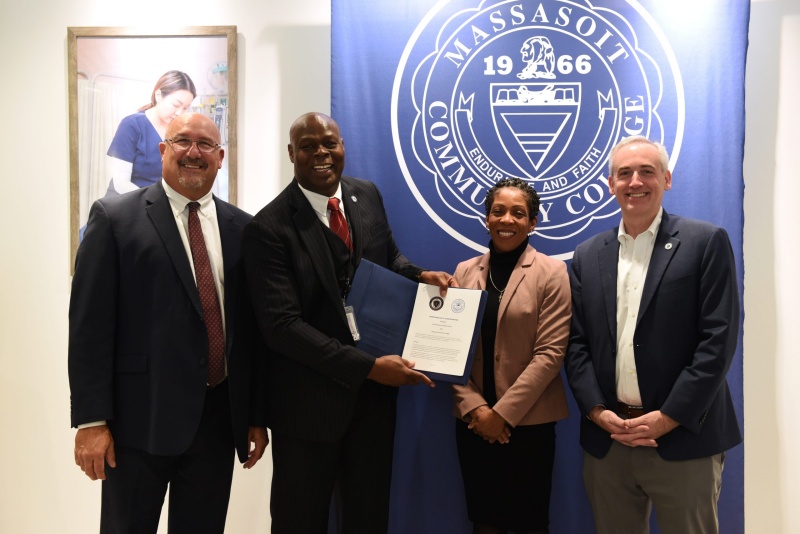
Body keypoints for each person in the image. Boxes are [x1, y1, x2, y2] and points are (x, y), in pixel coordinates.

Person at [242, 112, 455, 533]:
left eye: (329, 143)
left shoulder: (367, 194)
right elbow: (282, 327)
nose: (321, 153)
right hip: (307, 411)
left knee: (368, 518)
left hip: (372, 408)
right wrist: (369, 368)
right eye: (308, 146)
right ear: (291, 154)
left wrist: (419, 276)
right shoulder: (268, 227)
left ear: (343, 147)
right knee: (299, 522)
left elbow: (388, 258)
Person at [69, 113, 268, 534]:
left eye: (205, 145)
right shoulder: (115, 219)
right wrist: (91, 421)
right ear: (163, 150)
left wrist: (253, 413)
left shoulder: (242, 228)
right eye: (182, 141)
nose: (193, 152)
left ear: (220, 157)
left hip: (216, 422)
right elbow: (89, 329)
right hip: (137, 424)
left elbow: (249, 334)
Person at [565, 136, 742, 534]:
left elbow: (718, 340)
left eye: (647, 171)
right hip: (609, 441)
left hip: (684, 440)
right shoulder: (587, 254)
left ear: (667, 178)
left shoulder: (705, 242)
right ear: (610, 184)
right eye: (624, 173)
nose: (635, 181)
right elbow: (576, 346)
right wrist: (596, 412)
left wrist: (669, 417)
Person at [452, 178, 571, 534]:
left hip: (528, 426)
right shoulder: (463, 272)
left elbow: (550, 354)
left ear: (532, 222)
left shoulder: (552, 273)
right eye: (498, 211)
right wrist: (476, 409)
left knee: (528, 524)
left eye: (518, 213)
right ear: (486, 218)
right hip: (473, 423)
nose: (506, 219)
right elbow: (449, 351)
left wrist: (501, 415)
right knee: (483, 522)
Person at [107, 70, 197, 195]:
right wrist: (156, 202)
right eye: (176, 104)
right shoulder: (132, 125)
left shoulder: (180, 131)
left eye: (185, 108)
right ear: (158, 95)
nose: (179, 113)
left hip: (159, 205)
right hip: (127, 204)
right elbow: (121, 183)